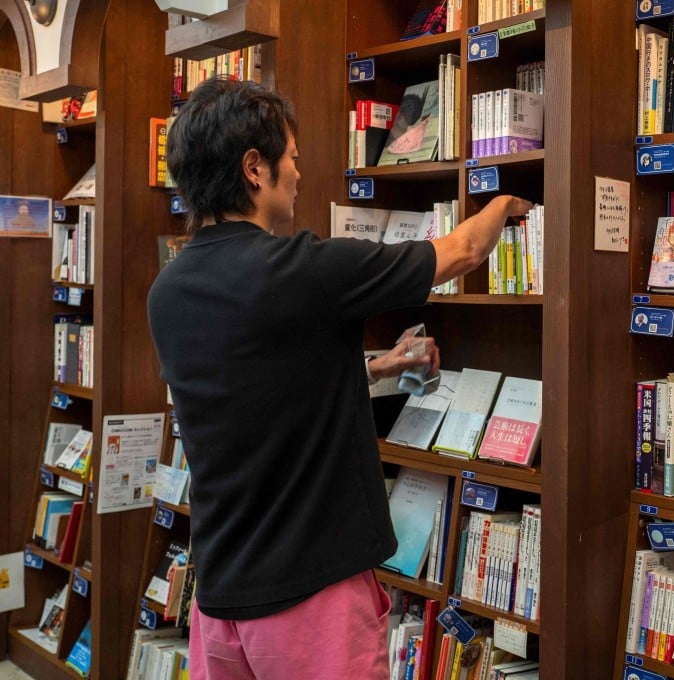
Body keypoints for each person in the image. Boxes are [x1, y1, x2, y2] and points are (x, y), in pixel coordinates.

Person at [146, 76, 532, 679]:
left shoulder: (166, 291)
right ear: (255, 168)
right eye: (293, 159)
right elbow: (460, 253)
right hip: (312, 596)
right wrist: (507, 203)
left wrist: (382, 365)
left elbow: (262, 384)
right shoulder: (303, 269)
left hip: (219, 600)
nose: (299, 175)